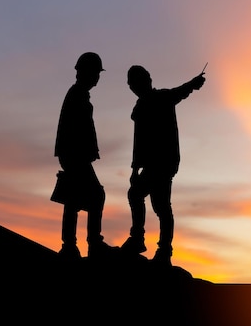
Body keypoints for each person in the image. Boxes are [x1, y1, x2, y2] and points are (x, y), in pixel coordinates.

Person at [120, 65, 206, 265]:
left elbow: (181, 91)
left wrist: (194, 83)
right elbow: (138, 142)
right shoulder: (140, 108)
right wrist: (134, 168)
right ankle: (149, 244)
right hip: (153, 164)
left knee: (157, 204)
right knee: (149, 200)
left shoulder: (162, 98)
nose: (133, 88)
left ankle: (157, 247)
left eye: (135, 83)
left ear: (146, 81)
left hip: (164, 162)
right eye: (131, 85)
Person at [53, 52, 112, 260]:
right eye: (96, 73)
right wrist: (82, 153)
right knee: (95, 196)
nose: (97, 78)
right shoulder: (77, 94)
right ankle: (91, 243)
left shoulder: (78, 93)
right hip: (75, 156)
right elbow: (77, 128)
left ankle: (70, 245)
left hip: (74, 155)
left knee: (74, 199)